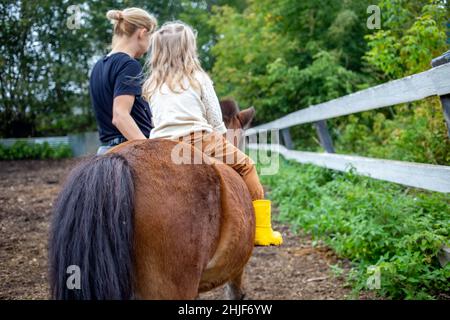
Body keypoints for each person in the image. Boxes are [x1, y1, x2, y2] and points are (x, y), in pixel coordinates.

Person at [142, 21, 282, 246]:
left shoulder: (151, 85)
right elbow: (217, 123)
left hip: (160, 144)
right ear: (189, 48)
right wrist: (222, 138)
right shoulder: (199, 78)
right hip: (198, 139)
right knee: (247, 166)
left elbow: (156, 120)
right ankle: (261, 230)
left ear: (157, 51)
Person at [89, 8, 157, 155]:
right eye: (151, 36)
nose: (150, 44)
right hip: (129, 153)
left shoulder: (98, 66)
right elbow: (120, 116)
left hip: (106, 151)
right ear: (142, 33)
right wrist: (150, 152)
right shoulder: (129, 65)